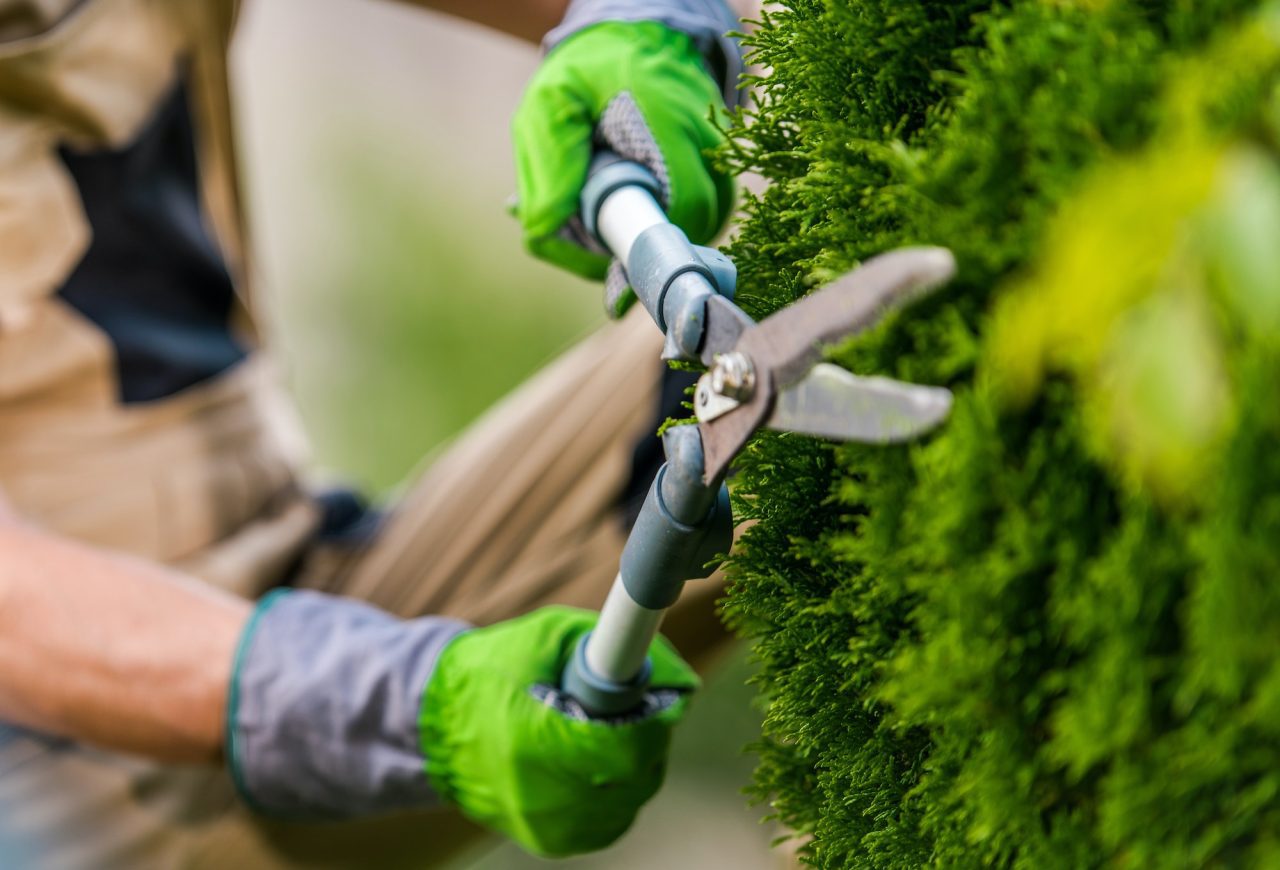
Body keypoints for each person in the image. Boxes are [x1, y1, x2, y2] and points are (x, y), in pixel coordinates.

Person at [0, 0, 743, 866]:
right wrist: (403, 704)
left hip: (313, 587)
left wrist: (640, 24)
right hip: (89, 778)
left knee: (797, 352)